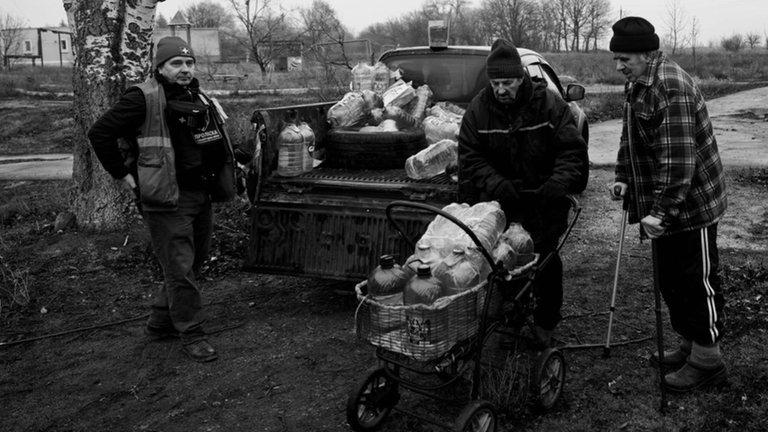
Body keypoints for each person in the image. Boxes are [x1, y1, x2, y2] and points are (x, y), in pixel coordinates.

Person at [88, 36, 246, 362]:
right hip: (166, 198)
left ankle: (161, 322)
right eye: (176, 63)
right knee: (180, 267)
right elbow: (99, 133)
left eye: (189, 63)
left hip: (200, 193)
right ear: (160, 67)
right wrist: (125, 176)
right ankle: (192, 334)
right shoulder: (142, 98)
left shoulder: (196, 95)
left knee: (194, 260)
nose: (185, 69)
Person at [608, 17, 728, 393]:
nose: (619, 66)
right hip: (666, 205)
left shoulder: (669, 86)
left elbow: (678, 164)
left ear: (647, 53)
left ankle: (709, 362)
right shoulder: (638, 83)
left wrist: (660, 212)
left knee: (696, 282)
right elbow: (632, 135)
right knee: (672, 280)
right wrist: (622, 174)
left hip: (690, 208)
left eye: (624, 58)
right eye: (616, 58)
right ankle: (690, 347)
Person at [457, 39, 589, 347]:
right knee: (500, 260)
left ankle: (545, 324)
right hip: (500, 201)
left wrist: (558, 183)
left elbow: (571, 151)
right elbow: (470, 156)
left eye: (507, 82)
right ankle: (511, 314)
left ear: (521, 78)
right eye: (495, 82)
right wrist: (496, 183)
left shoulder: (550, 104)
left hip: (544, 198)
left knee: (543, 260)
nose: (501, 89)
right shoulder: (479, 110)